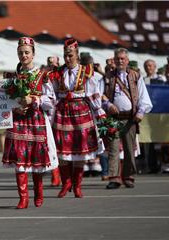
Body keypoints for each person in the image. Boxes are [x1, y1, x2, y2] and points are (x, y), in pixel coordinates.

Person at [2, 37, 58, 209]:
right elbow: (5, 100)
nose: (23, 55)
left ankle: (38, 193)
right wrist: (15, 107)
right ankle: (23, 197)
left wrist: (33, 99)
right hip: (18, 120)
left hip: (35, 120)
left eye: (27, 52)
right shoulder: (12, 77)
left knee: (35, 158)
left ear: (33, 54)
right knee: (19, 158)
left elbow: (51, 101)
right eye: (20, 53)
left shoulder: (43, 75)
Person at [49, 38, 104, 198]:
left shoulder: (87, 71)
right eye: (65, 55)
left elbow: (93, 92)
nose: (67, 59)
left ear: (77, 55)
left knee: (80, 149)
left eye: (70, 55)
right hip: (63, 112)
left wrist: (99, 110)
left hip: (81, 111)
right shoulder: (58, 72)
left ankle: (78, 185)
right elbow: (51, 93)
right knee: (62, 149)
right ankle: (66, 182)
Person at [102, 48, 153, 189]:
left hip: (130, 118)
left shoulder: (136, 76)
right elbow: (99, 94)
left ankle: (128, 176)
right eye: (117, 58)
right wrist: (108, 104)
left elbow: (143, 96)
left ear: (127, 61)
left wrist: (141, 112)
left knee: (130, 149)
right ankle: (114, 178)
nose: (120, 61)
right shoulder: (108, 77)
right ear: (114, 59)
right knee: (113, 149)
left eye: (122, 59)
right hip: (113, 118)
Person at [46, 56, 61, 187]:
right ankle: (55, 176)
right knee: (51, 145)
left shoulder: (62, 74)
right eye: (49, 63)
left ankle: (65, 175)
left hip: (62, 112)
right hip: (50, 112)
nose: (52, 65)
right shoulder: (45, 76)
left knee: (62, 145)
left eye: (54, 63)